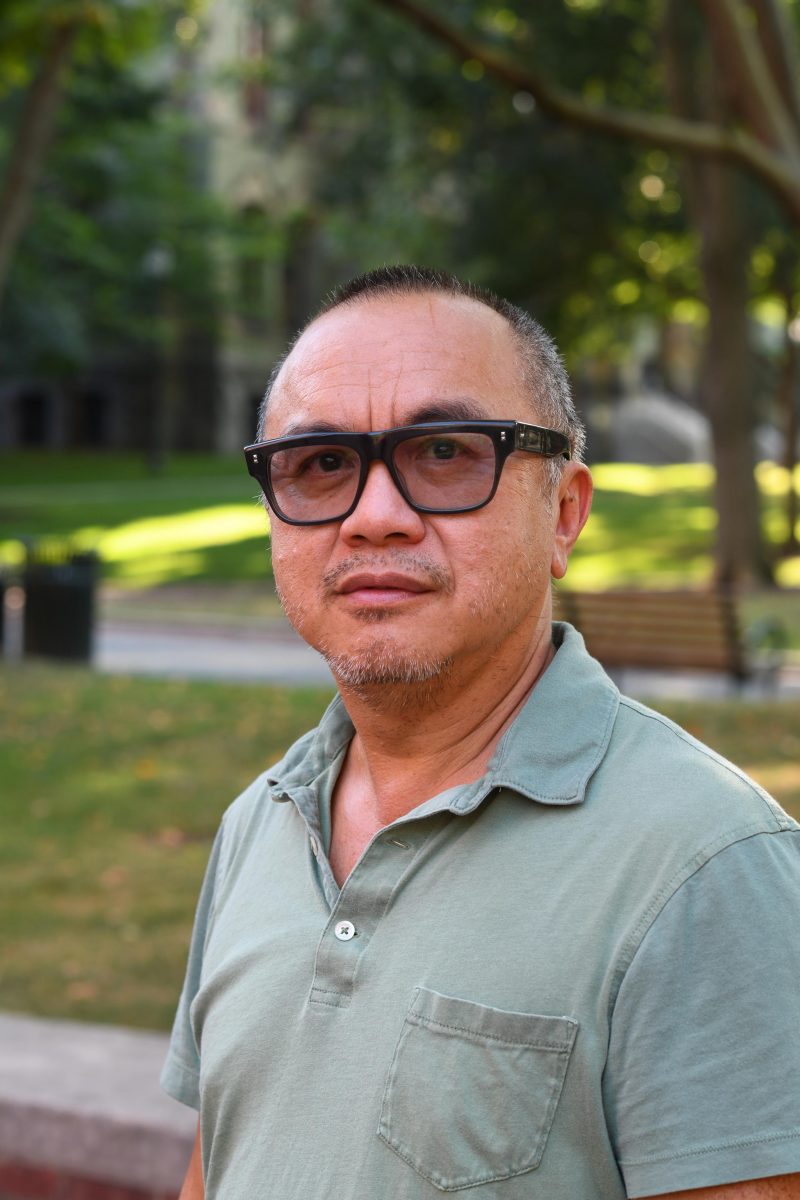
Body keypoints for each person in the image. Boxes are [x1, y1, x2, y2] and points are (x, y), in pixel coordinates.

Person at [162, 266, 800, 1200]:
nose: (374, 517)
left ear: (565, 512)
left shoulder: (708, 867)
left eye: (448, 453)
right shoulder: (260, 824)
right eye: (323, 464)